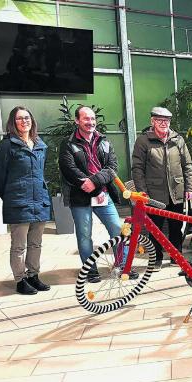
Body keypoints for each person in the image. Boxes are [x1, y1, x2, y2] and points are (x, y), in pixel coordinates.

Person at [59, 106, 123, 283]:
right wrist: (89, 183)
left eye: (93, 118)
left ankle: (121, 266)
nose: (91, 122)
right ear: (77, 121)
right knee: (84, 235)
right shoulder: (68, 143)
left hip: (103, 193)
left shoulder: (104, 141)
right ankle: (91, 270)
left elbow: (112, 168)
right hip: (80, 195)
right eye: (86, 119)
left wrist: (95, 182)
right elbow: (68, 169)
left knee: (118, 229)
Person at [0, 106, 51, 295]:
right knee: (18, 245)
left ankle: (33, 275)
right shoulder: (7, 145)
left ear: (32, 120)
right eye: (19, 119)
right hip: (19, 201)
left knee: (36, 243)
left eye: (27, 118)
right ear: (12, 122)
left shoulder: (40, 143)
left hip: (39, 200)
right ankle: (20, 279)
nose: (24, 121)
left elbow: (41, 172)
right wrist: (10, 194)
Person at [131, 107, 192, 264]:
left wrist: (190, 188)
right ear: (152, 121)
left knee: (176, 226)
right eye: (159, 120)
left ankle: (176, 256)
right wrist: (142, 192)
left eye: (166, 120)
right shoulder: (143, 141)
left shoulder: (177, 139)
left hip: (177, 190)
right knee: (155, 228)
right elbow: (137, 168)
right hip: (154, 192)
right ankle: (156, 258)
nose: (163, 123)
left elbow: (187, 165)